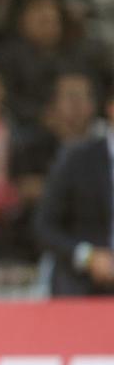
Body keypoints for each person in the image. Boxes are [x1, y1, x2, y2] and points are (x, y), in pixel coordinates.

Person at [34, 88, 114, 296]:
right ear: (111, 108)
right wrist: (89, 257)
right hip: (82, 282)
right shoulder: (77, 159)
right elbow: (44, 227)